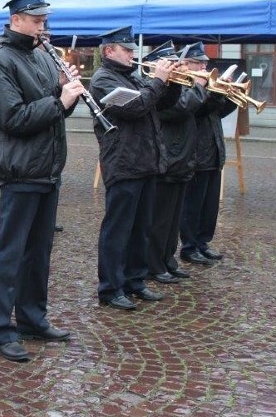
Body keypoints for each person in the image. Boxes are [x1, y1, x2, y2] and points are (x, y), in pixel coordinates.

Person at [0, 0, 85, 363]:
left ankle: (32, 318)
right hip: (21, 169)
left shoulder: (40, 57)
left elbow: (50, 111)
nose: (43, 27)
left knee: (39, 251)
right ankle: (1, 331)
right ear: (15, 20)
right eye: (37, 20)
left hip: (47, 168)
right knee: (10, 253)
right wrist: (60, 100)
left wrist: (63, 92)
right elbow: (14, 118)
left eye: (44, 21)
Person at [89, 26, 180, 311]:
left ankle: (135, 280)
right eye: (127, 50)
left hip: (145, 162)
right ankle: (111, 288)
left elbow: (163, 104)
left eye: (132, 50)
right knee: (118, 230)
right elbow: (136, 107)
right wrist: (159, 81)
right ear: (109, 51)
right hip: (123, 163)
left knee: (141, 228)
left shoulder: (134, 75)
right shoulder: (103, 80)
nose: (132, 54)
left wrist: (173, 81)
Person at [144, 41, 204, 284]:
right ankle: (154, 264)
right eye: (173, 64)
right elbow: (179, 108)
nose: (179, 68)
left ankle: (167, 260)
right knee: (159, 220)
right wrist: (200, 87)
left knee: (172, 221)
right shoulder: (157, 89)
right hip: (168, 158)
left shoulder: (177, 87)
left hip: (182, 158)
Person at [179, 42, 238, 265]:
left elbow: (217, 113)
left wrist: (229, 95)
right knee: (192, 205)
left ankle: (203, 242)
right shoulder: (185, 86)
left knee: (209, 205)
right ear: (186, 64)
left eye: (205, 62)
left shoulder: (202, 86)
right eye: (199, 62)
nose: (204, 66)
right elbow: (196, 110)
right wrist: (208, 90)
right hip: (195, 153)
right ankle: (189, 246)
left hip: (213, 150)